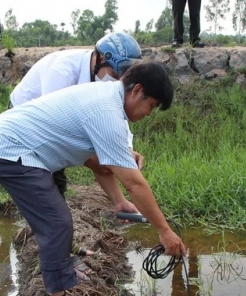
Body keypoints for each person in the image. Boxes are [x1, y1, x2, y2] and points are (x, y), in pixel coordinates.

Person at [0, 61, 187, 296]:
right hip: (12, 150)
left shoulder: (108, 100)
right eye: (152, 105)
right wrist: (164, 231)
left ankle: (62, 260)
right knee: (56, 222)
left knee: (54, 217)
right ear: (137, 91)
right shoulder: (106, 112)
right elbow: (135, 184)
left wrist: (118, 202)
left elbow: (98, 164)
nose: (150, 113)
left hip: (25, 146)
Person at [9, 32, 145, 198]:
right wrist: (93, 159)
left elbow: (116, 115)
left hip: (53, 124)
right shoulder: (63, 70)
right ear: (102, 59)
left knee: (56, 185)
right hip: (24, 123)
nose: (117, 82)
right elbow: (54, 128)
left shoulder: (106, 81)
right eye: (116, 75)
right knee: (37, 178)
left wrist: (126, 149)